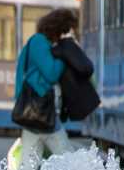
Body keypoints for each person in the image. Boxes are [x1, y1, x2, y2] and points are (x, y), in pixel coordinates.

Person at [12, 8, 81, 161]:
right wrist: (64, 57)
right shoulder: (39, 42)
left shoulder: (40, 42)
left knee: (28, 166)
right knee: (67, 158)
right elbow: (51, 73)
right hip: (40, 109)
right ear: (57, 28)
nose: (64, 36)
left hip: (39, 112)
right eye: (64, 31)